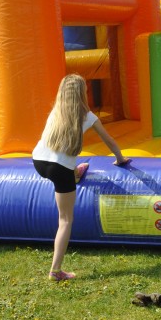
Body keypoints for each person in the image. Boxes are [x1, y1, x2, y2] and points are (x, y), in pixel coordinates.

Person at [32, 73, 129, 281]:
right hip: (60, 169)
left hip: (38, 162)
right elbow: (109, 141)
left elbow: (58, 146)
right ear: (82, 94)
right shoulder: (88, 116)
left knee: (67, 170)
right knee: (65, 219)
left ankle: (76, 173)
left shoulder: (55, 111)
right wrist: (120, 159)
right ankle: (56, 271)